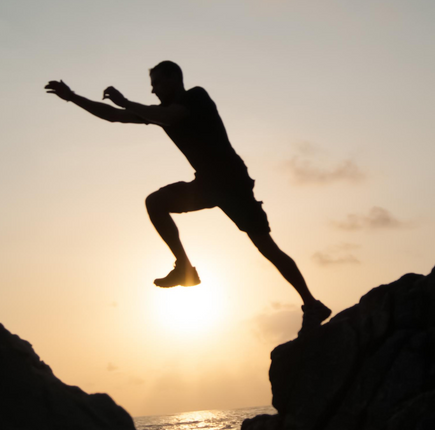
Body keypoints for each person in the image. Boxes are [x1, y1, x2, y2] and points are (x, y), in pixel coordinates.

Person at [45, 61, 331, 334]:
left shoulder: (196, 97)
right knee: (155, 202)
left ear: (173, 80)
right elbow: (113, 116)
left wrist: (127, 102)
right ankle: (184, 268)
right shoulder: (159, 111)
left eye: (156, 83)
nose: (153, 90)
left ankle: (312, 304)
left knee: (266, 247)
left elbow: (167, 116)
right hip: (206, 185)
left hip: (232, 183)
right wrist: (72, 97)